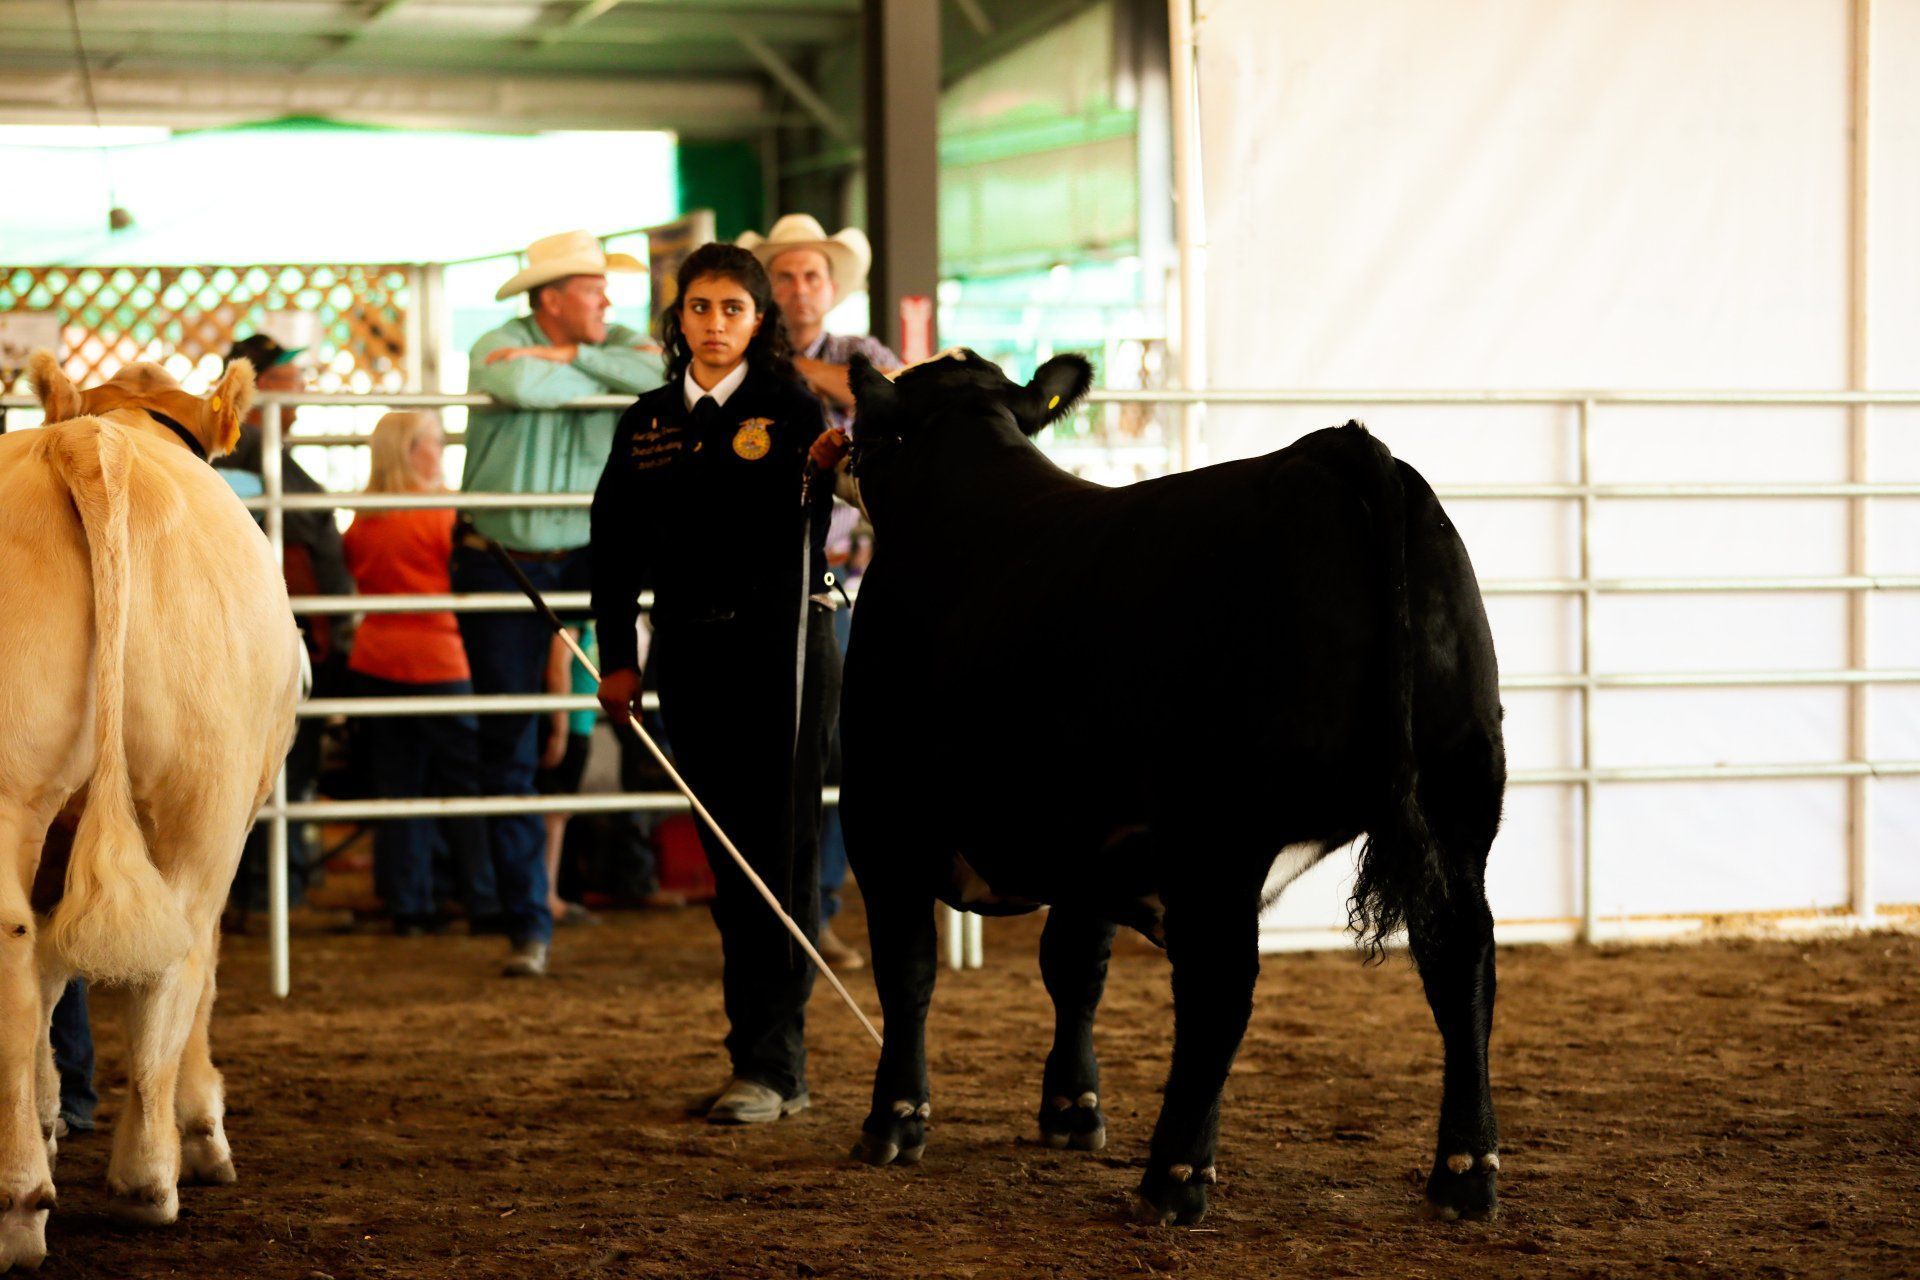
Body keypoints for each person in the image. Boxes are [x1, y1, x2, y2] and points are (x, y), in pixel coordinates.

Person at [591, 242, 838, 1125]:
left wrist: (834, 465)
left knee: (778, 857)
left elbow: (820, 512)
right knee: (729, 862)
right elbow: (613, 546)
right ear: (678, 318)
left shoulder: (791, 407)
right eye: (700, 307)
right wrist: (616, 653)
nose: (715, 323)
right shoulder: (649, 420)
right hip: (685, 660)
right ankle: (756, 1056)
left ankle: (777, 1065)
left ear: (758, 321)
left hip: (782, 657)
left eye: (733, 308)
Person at [462, 231, 670, 978]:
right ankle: (527, 914)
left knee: (629, 699)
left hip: (583, 554)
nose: (607, 301)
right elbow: (514, 385)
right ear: (550, 299)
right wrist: (582, 371)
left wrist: (564, 360)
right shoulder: (496, 343)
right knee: (512, 736)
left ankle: (557, 896)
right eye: (592, 289)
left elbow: (656, 373)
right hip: (506, 558)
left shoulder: (611, 343)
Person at [740, 214, 906, 968]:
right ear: (769, 287)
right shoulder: (746, 351)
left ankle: (818, 907)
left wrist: (786, 369)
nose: (801, 289)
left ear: (831, 288)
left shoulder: (847, 354)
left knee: (838, 747)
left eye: (812, 276)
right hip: (775, 574)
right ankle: (788, 905)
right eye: (786, 276)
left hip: (851, 578)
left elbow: (890, 394)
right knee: (791, 748)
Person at [342, 411, 493, 935]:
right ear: (411, 451)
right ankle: (482, 897)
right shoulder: (442, 515)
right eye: (434, 441)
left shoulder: (364, 518)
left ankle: (409, 903)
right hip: (440, 657)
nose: (442, 448)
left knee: (399, 787)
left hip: (377, 657)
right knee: (466, 784)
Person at [220, 333, 352, 924]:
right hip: (283, 629)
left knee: (283, 767)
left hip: (301, 628)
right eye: (293, 383)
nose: (301, 394)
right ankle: (270, 896)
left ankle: (276, 891)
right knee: (273, 766)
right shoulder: (242, 449)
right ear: (262, 387)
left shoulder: (270, 450)